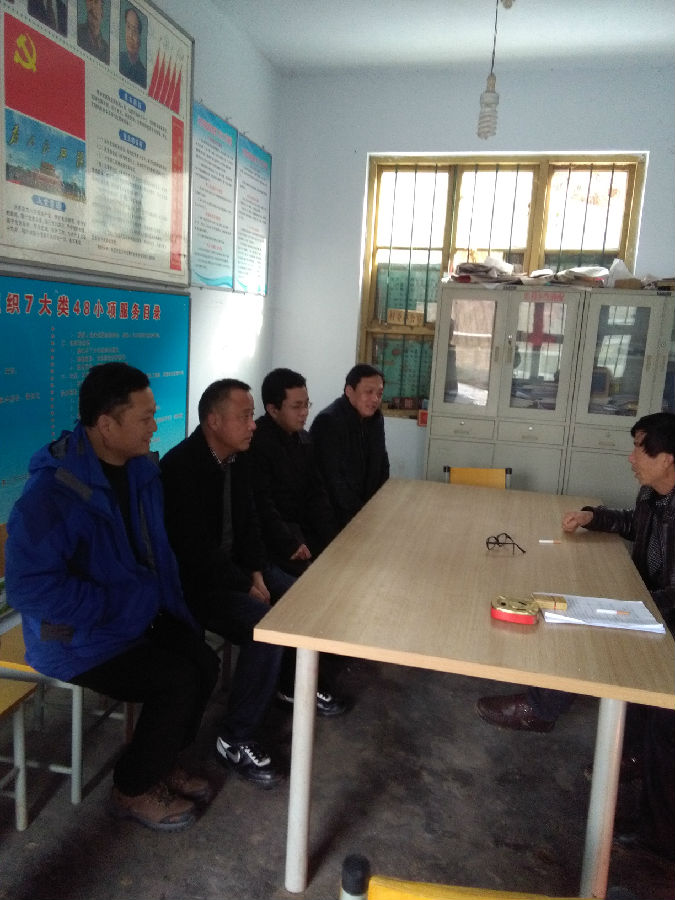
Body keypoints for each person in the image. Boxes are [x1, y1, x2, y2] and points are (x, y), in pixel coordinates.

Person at [5, 362, 219, 832]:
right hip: (77, 639)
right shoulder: (52, 494)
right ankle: (132, 788)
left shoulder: (140, 470)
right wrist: (112, 606)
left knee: (204, 662)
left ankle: (160, 760)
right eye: (145, 418)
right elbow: (28, 587)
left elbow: (153, 551)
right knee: (176, 680)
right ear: (106, 425)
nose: (154, 426)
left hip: (134, 616)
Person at [476, 411, 675, 860]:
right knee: (591, 617)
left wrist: (634, 607)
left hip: (665, 614)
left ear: (667, 458)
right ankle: (632, 754)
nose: (631, 458)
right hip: (652, 606)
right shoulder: (654, 494)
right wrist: (592, 516)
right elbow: (634, 524)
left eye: (640, 449)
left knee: (593, 631)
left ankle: (659, 834)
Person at [160, 379, 291, 788]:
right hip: (196, 586)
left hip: (235, 572)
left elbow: (250, 526)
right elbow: (196, 552)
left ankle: (288, 688)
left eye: (252, 416)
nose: (253, 425)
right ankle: (235, 737)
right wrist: (245, 584)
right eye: (245, 416)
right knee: (266, 629)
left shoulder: (238, 458)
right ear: (213, 421)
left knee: (299, 598)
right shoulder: (180, 468)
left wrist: (256, 573)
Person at [248, 367, 346, 716]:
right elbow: (262, 507)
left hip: (297, 537)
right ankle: (294, 685)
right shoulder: (257, 444)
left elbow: (316, 494)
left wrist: (333, 539)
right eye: (296, 406)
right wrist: (290, 542)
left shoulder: (303, 440)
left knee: (338, 577)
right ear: (272, 409)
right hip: (270, 546)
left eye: (307, 404)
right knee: (305, 597)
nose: (305, 413)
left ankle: (320, 664)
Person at [310, 364, 390, 529]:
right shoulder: (328, 422)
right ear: (349, 391)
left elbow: (382, 463)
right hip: (334, 516)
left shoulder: (376, 419)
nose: (375, 399)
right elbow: (333, 481)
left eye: (379, 394)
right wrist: (360, 513)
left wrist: (377, 503)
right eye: (368, 392)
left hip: (366, 511)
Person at [119, 4, 146, 88]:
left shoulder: (143, 75)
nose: (130, 35)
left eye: (134, 30)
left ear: (140, 38)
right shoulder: (117, 58)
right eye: (128, 27)